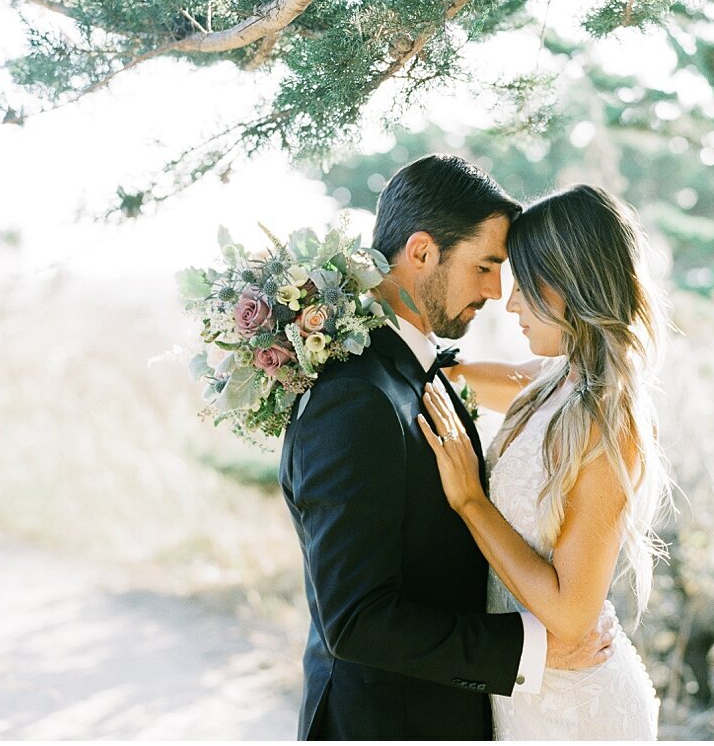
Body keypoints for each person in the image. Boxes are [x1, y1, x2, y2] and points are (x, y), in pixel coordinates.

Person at [278, 156, 616, 740]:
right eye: (486, 266)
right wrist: (534, 649)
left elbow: (543, 380)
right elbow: (357, 621)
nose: (496, 291)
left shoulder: (418, 370)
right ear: (422, 252)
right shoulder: (356, 398)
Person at [420, 184, 672, 740]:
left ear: (571, 287)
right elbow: (459, 374)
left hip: (576, 712)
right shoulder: (556, 380)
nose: (509, 305)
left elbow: (570, 616)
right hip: (527, 692)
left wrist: (469, 500)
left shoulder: (610, 420)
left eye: (526, 288)